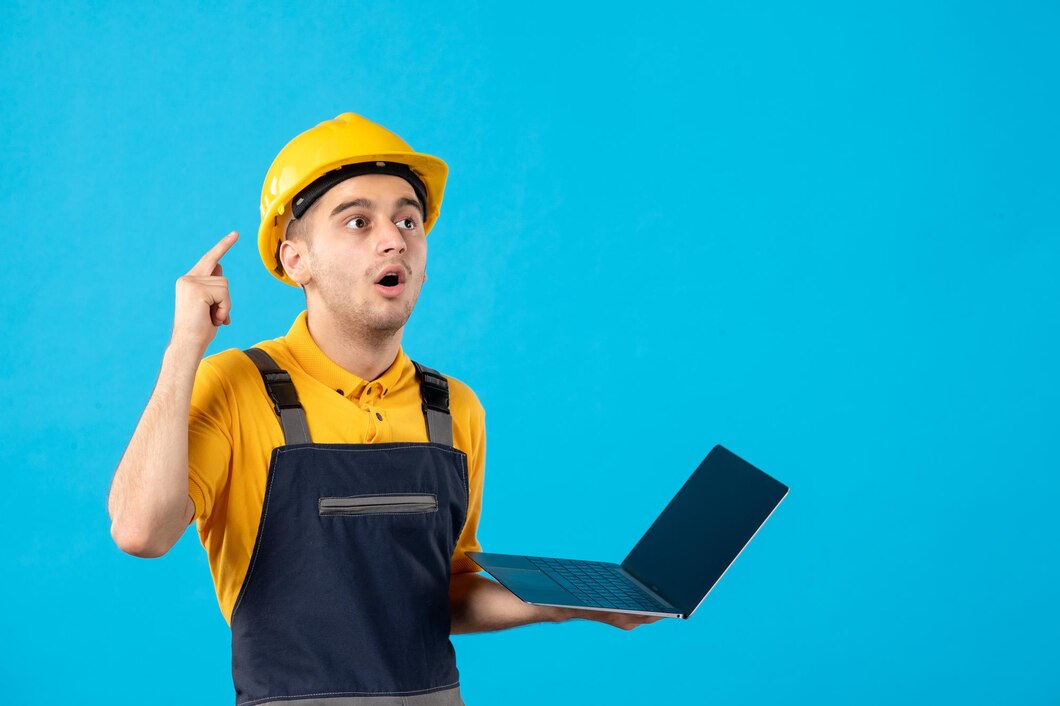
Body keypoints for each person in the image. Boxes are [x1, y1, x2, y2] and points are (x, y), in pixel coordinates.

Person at [107, 112, 659, 706]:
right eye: (357, 221)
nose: (393, 237)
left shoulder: (452, 408)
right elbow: (141, 532)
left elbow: (445, 590)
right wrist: (183, 350)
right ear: (297, 261)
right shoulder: (237, 387)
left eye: (407, 219)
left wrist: (561, 601)